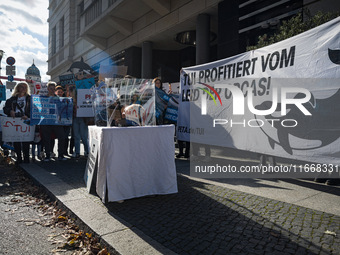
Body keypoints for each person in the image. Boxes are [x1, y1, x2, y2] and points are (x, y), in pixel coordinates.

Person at [3, 82, 31, 164]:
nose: (23, 88)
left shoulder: (30, 99)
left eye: (25, 87)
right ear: (17, 88)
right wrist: (10, 111)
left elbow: (34, 110)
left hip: (25, 121)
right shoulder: (12, 99)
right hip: (15, 121)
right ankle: (19, 157)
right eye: (21, 87)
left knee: (26, 140)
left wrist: (27, 115)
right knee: (16, 140)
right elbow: (5, 109)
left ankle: (26, 157)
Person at [40, 81, 67, 161]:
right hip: (46, 121)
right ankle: (47, 155)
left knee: (62, 137)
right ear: (48, 89)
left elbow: (62, 109)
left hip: (56, 121)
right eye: (50, 88)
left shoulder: (59, 99)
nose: (51, 90)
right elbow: (40, 110)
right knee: (46, 139)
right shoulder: (43, 98)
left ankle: (61, 155)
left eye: (53, 88)